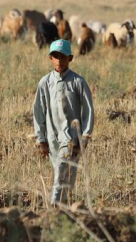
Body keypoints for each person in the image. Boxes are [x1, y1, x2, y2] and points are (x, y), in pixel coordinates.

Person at [33, 39, 94, 205]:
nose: (59, 60)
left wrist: (85, 136)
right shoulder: (45, 83)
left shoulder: (77, 82)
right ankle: (65, 212)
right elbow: (38, 112)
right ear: (50, 58)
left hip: (71, 139)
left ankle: (53, 209)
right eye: (55, 56)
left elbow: (88, 110)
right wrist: (41, 139)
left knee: (61, 172)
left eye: (63, 56)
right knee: (66, 177)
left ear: (71, 58)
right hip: (52, 138)